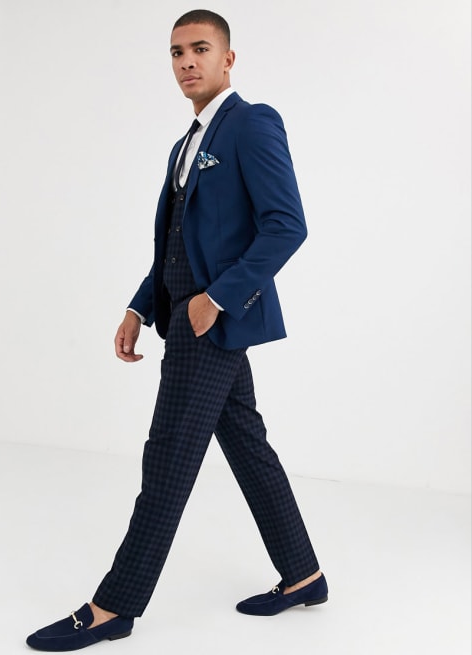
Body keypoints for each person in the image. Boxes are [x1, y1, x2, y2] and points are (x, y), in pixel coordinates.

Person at [26, 9, 328, 652]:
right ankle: (304, 574)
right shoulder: (183, 145)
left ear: (228, 58)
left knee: (167, 456)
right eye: (176, 52)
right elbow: (175, 244)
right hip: (186, 314)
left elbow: (287, 224)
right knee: (247, 445)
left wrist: (216, 299)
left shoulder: (252, 122)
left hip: (209, 321)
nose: (186, 61)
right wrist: (139, 308)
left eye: (200, 48)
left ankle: (113, 607)